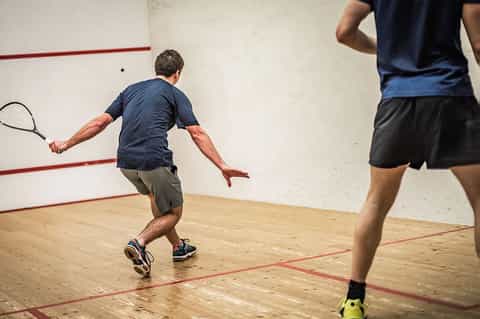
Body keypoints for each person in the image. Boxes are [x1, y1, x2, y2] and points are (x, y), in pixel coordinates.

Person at [335, 0, 480, 318]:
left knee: (376, 201)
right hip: (451, 96)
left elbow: (344, 32)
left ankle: (354, 300)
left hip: (398, 101)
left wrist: (381, 48)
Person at [49, 49, 249, 277]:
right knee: (173, 213)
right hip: (153, 159)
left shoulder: (130, 90)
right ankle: (139, 242)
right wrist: (222, 165)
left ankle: (178, 247)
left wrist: (67, 143)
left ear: (157, 69)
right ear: (178, 73)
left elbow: (100, 122)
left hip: (126, 162)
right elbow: (197, 133)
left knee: (157, 199)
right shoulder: (175, 94)